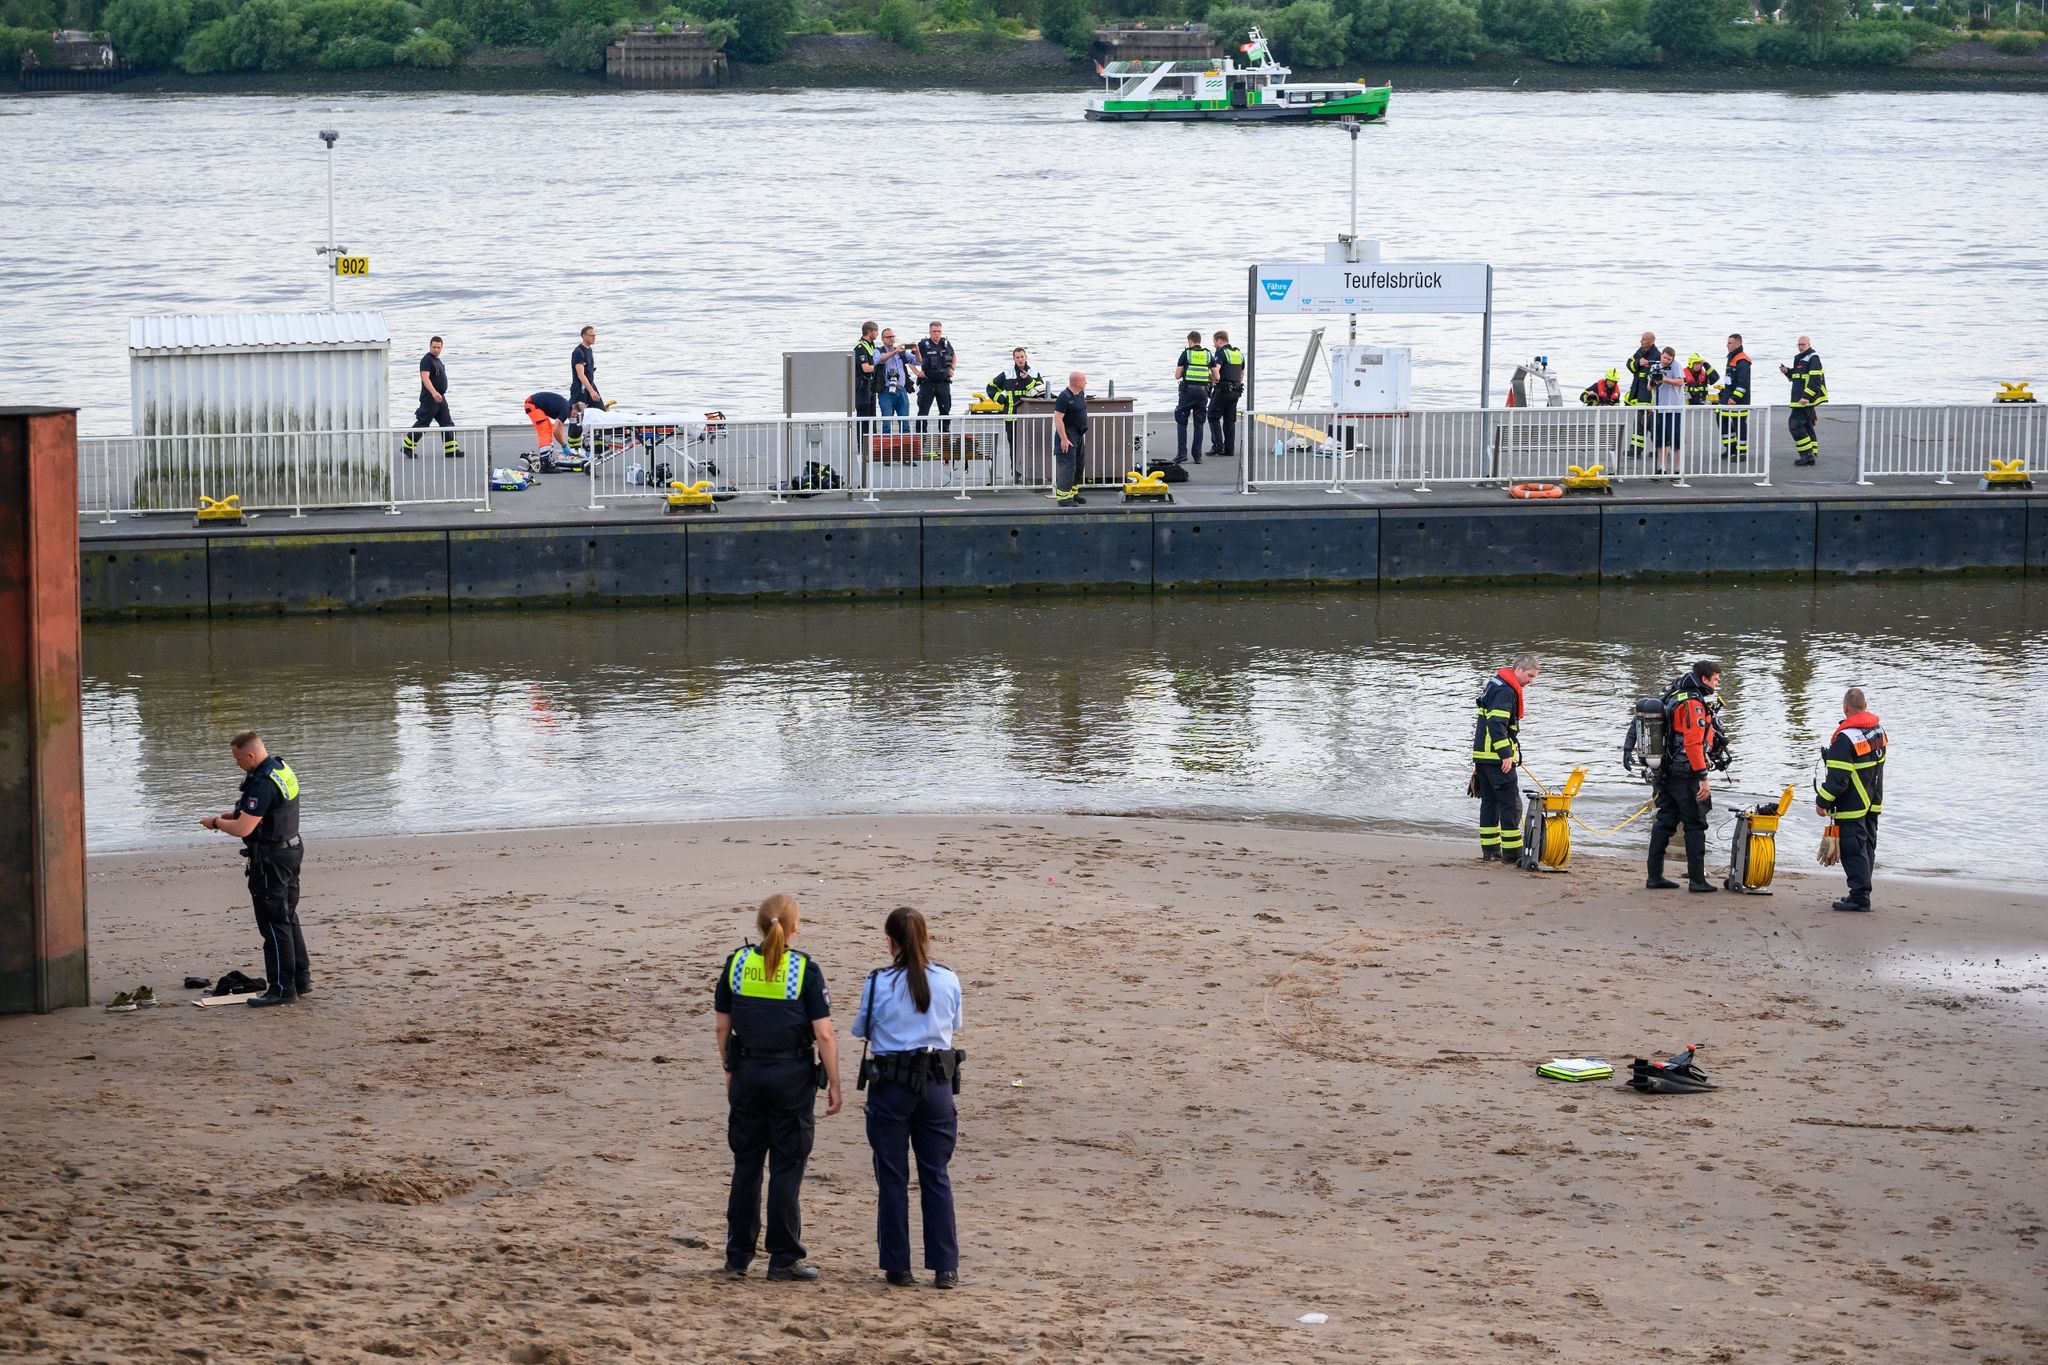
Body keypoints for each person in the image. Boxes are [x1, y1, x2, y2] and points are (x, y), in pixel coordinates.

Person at [716, 893, 843, 1282]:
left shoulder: (736, 964)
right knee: (787, 1167)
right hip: (791, 1079)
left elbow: (723, 1026)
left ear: (760, 924)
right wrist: (834, 1083)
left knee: (747, 1166)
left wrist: (729, 1068)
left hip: (749, 1073)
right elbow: (824, 1034)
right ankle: (784, 1258)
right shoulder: (805, 970)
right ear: (794, 928)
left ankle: (738, 1256)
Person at [851, 906, 964, 1290]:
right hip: (936, 1086)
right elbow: (955, 1024)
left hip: (893, 1086)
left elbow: (860, 1029)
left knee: (893, 1178)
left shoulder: (879, 981)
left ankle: (898, 1266)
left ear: (891, 941)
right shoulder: (948, 978)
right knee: (936, 1175)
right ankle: (945, 1267)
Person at [199, 731, 310, 1008]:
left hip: (270, 859)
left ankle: (282, 990)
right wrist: (233, 815)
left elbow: (243, 829)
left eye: (238, 759)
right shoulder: (280, 768)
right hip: (290, 849)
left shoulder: (261, 782)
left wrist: (215, 822)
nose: (237, 765)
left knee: (273, 925)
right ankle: (300, 979)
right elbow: (270, 812)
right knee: (288, 917)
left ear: (250, 755)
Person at [1646, 661, 1727, 894]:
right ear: (1704, 679)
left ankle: (1655, 876)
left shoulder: (1673, 695)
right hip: (1686, 773)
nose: (1716, 684)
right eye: (1715, 680)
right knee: (1695, 825)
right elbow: (1692, 743)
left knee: (1664, 821)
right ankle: (1697, 880)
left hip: (1665, 771)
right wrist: (1703, 777)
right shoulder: (1694, 704)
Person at [1815, 688, 1887, 912]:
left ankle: (1860, 897)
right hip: (1872, 802)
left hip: (1852, 805)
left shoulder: (1844, 739)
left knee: (1853, 849)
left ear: (1845, 708)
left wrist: (1822, 801)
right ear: (1865, 706)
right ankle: (1860, 891)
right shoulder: (1877, 730)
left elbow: (1838, 780)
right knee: (1866, 848)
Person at [1471, 654, 1539, 865]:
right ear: (1518, 669)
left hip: (1483, 756)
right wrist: (1506, 755)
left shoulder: (1495, 684)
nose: (1531, 681)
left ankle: (1490, 850)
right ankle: (1512, 854)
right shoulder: (1505, 691)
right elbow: (1497, 725)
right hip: (1496, 759)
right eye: (1529, 676)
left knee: (1489, 803)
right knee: (1511, 804)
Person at [985, 346, 1047, 472]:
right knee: (1014, 446)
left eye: (1022, 357)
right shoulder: (1007, 374)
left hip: (1030, 417)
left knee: (1032, 445)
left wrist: (1028, 379)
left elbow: (1042, 391)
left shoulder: (1034, 373)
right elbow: (990, 388)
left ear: (1026, 357)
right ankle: (1016, 472)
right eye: (1017, 357)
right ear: (1013, 359)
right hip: (1011, 416)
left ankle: (1031, 471)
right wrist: (1003, 400)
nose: (1020, 360)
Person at [401, 336, 462, 460]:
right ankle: (407, 447)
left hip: (440, 397)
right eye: (434, 347)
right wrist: (434, 393)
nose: (436, 349)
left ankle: (451, 450)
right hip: (430, 398)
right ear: (430, 346)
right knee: (423, 423)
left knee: (447, 422)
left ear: (442, 348)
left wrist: (439, 394)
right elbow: (425, 378)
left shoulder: (438, 361)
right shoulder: (426, 360)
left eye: (439, 347)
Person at [1781, 335, 1827, 466]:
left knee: (1794, 425)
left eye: (1803, 344)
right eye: (1799, 344)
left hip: (1805, 400)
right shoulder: (1800, 359)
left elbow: (1815, 381)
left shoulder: (1813, 358)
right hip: (1799, 399)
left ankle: (1806, 454)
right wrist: (1787, 371)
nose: (1800, 347)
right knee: (1807, 426)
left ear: (1809, 344)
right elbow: (1797, 376)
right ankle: (1810, 455)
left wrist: (1806, 397)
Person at [1172, 330, 1213, 465]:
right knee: (1199, 424)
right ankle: (1197, 456)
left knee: (1181, 421)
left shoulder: (1186, 354)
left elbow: (1177, 375)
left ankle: (1182, 454)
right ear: (1199, 341)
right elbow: (1217, 376)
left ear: (1190, 341)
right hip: (1202, 393)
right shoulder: (1208, 354)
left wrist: (1186, 371)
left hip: (1187, 392)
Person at [872, 328, 920, 435]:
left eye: (893, 337)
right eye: (888, 337)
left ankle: (906, 450)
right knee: (886, 424)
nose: (891, 339)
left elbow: (918, 362)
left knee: (905, 424)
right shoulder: (878, 351)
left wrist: (917, 351)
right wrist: (895, 352)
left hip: (901, 390)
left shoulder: (901, 352)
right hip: (885, 391)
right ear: (883, 339)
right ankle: (886, 450)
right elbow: (879, 359)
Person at [1206, 330, 1246, 459]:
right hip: (1236, 391)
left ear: (1219, 341)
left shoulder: (1221, 353)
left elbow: (1216, 371)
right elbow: (1242, 371)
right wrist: (1238, 383)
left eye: (1214, 342)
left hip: (1222, 390)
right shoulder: (1238, 353)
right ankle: (1229, 449)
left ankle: (1218, 447)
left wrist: (1210, 379)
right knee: (1229, 420)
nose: (1214, 345)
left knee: (1212, 415)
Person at [915, 321, 957, 438]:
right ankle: (921, 439)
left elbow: (954, 356)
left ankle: (944, 439)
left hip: (943, 383)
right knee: (923, 412)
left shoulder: (946, 343)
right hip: (927, 383)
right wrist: (917, 372)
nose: (937, 334)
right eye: (934, 331)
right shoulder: (923, 345)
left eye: (939, 331)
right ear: (930, 332)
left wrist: (952, 368)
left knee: (945, 411)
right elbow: (910, 359)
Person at [1053, 370, 1088, 507]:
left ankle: (1073, 494)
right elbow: (1058, 419)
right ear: (1077, 382)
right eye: (1084, 380)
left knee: (1078, 466)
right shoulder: (1064, 397)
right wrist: (1064, 439)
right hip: (1067, 437)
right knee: (1068, 467)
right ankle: (1064, 499)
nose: (1086, 383)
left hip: (1078, 436)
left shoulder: (1080, 394)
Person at [1624, 330, 1659, 458]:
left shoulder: (1657, 356)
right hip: (1639, 396)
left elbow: (1657, 380)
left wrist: (1652, 403)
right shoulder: (1640, 352)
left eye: (1644, 339)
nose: (1641, 340)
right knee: (1638, 425)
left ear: (1651, 341)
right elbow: (1629, 364)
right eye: (1642, 338)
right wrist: (1638, 363)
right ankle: (1636, 450)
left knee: (1652, 426)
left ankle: (1659, 450)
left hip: (1649, 398)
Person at [1651, 346, 1686, 472]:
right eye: (1664, 357)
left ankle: (1678, 469)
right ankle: (1662, 467)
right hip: (1660, 407)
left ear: (1673, 359)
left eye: (1669, 359)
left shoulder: (1676, 366)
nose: (1665, 361)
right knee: (1660, 440)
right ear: (1661, 355)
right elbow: (1650, 388)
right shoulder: (1655, 367)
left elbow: (1680, 382)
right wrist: (1653, 382)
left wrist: (1664, 379)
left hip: (1674, 407)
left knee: (1676, 440)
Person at [1718, 334, 1752, 460]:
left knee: (1739, 424)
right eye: (1727, 343)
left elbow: (1743, 384)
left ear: (1737, 344)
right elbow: (1730, 380)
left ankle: (1741, 452)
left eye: (1730, 343)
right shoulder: (1732, 357)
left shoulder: (1742, 360)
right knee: (1722, 419)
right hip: (1728, 398)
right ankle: (1731, 448)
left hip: (1738, 400)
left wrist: (1734, 398)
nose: (1727, 345)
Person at [522, 391, 574, 470]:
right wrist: (563, 445)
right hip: (532, 404)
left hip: (535, 404)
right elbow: (556, 431)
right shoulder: (566, 410)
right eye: (576, 414)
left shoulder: (566, 407)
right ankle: (545, 463)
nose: (575, 417)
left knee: (549, 427)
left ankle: (547, 457)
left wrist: (564, 443)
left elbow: (559, 428)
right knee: (544, 429)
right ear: (574, 409)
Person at [570, 326, 604, 412]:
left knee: (600, 411)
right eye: (591, 336)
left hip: (590, 384)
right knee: (577, 415)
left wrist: (592, 390)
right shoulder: (578, 352)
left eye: (595, 335)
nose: (594, 338)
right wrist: (591, 391)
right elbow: (580, 375)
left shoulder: (589, 350)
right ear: (584, 336)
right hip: (580, 389)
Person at [853, 322, 880, 421]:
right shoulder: (860, 347)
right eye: (876, 331)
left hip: (870, 384)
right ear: (869, 332)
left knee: (872, 415)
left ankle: (871, 436)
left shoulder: (871, 345)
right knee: (864, 415)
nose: (877, 333)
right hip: (862, 385)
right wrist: (881, 367)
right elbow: (866, 368)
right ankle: (862, 436)